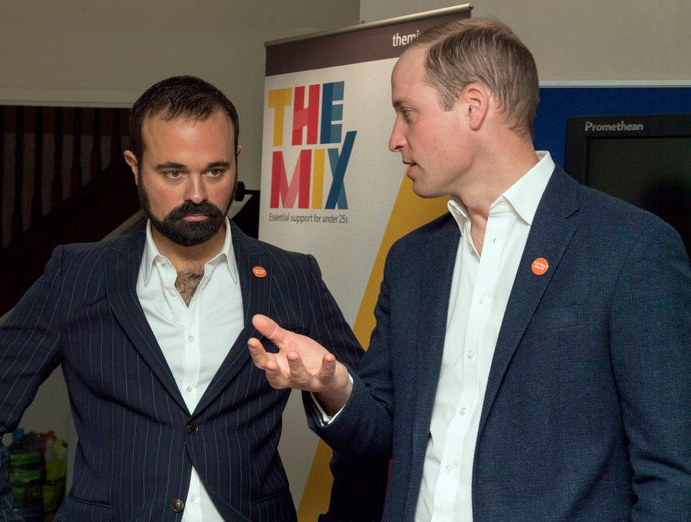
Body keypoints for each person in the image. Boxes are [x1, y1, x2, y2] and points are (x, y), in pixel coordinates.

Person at [248, 18, 691, 521]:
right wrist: (331, 384)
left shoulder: (630, 249)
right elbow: (379, 435)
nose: (395, 139)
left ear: (474, 107)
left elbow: (674, 474)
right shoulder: (413, 261)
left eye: (407, 113)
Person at [0, 75, 382, 521]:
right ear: (134, 166)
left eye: (216, 171)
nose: (197, 194)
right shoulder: (76, 274)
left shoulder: (291, 275)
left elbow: (375, 429)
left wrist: (335, 393)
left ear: (236, 161)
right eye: (173, 172)